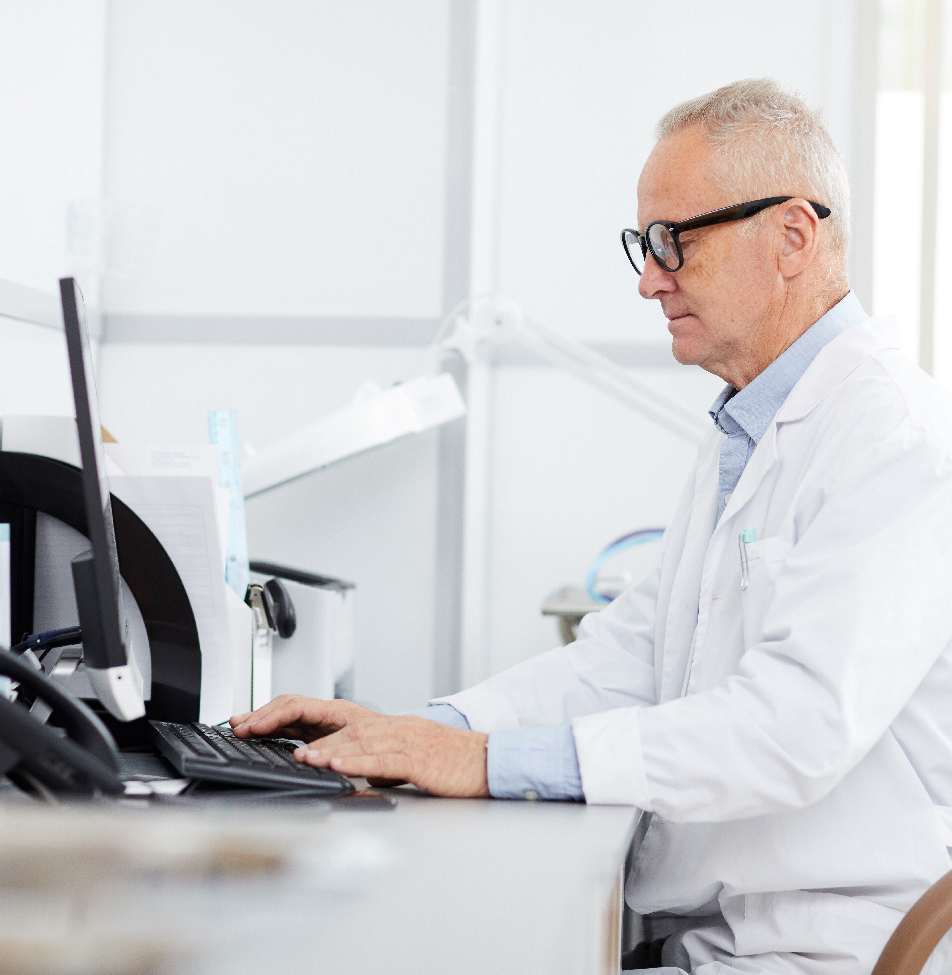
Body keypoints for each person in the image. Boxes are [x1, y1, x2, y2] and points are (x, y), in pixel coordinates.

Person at [231, 79, 952, 975]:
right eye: (642, 247)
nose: (650, 279)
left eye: (673, 244)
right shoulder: (749, 422)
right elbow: (626, 656)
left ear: (792, 236)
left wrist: (485, 759)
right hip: (724, 932)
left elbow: (792, 725)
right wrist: (415, 732)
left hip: (821, 947)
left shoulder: (894, 437)